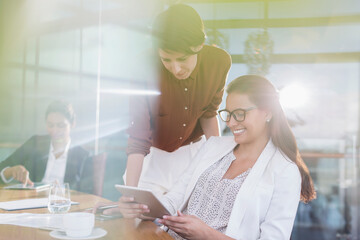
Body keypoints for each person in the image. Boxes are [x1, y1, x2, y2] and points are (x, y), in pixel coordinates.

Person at [112, 75, 316, 239]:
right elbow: (174, 199)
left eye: (240, 113)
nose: (232, 123)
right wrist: (141, 208)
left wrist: (206, 234)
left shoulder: (285, 171)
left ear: (267, 113)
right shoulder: (214, 146)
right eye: (228, 113)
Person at [125, 4, 232, 194]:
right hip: (152, 159)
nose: (176, 69)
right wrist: (130, 194)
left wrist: (217, 166)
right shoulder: (142, 66)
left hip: (194, 153)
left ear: (199, 45)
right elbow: (138, 136)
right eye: (166, 60)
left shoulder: (219, 62)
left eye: (182, 59)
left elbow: (209, 114)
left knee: (189, 219)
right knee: (140, 216)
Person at [0, 100, 93, 193]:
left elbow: (87, 194)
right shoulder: (35, 143)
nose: (55, 130)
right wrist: (11, 171)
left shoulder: (83, 156)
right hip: (31, 201)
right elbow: (2, 167)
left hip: (63, 204)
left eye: (61, 125)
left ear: (72, 124)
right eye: (50, 125)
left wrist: (62, 192)